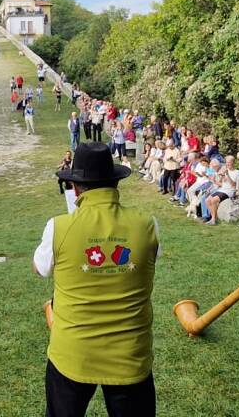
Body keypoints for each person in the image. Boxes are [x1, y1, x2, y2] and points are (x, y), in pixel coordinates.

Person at [33, 142, 160, 416]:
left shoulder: (59, 226)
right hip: (131, 355)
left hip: (73, 354)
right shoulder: (147, 224)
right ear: (116, 183)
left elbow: (39, 268)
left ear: (76, 188)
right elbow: (150, 259)